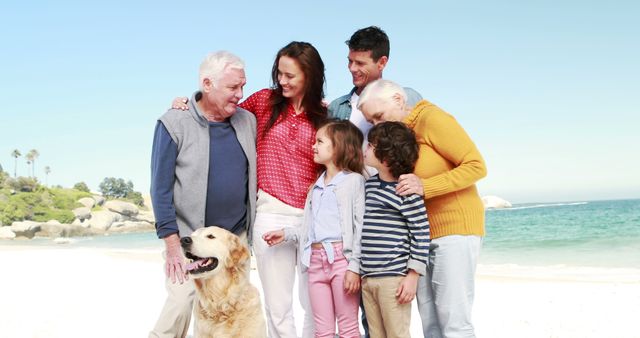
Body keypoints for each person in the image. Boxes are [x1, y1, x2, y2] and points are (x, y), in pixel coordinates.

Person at [171, 41, 325, 338]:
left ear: (310, 75)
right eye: (279, 73)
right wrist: (187, 105)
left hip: (311, 218)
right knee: (278, 308)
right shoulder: (264, 101)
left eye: (290, 75)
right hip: (270, 213)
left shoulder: (323, 113)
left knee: (313, 305)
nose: (282, 81)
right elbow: (219, 108)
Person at [358, 79, 487, 338]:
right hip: (424, 235)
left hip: (455, 229)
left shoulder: (432, 118)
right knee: (429, 321)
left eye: (379, 116)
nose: (377, 125)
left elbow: (476, 166)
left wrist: (426, 186)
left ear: (398, 99)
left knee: (454, 321)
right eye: (371, 122)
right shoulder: (400, 137)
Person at [149, 51, 257, 338]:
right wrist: (172, 244)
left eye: (243, 86)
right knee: (182, 302)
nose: (240, 94)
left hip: (234, 240)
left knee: (228, 315)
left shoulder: (247, 120)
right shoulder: (174, 122)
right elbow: (159, 189)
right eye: (233, 87)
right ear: (207, 84)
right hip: (189, 239)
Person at [262, 119, 366, 338]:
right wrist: (286, 234)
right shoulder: (317, 186)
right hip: (315, 263)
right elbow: (312, 228)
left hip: (342, 262)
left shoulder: (354, 182)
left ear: (339, 146)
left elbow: (360, 228)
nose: (313, 146)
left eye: (320, 141)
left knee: (348, 327)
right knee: (323, 330)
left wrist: (354, 267)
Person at [360, 121, 431, 338]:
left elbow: (421, 233)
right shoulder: (369, 185)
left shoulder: (405, 190)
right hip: (368, 277)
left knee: (397, 334)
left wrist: (413, 275)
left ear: (387, 155)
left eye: (371, 145)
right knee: (376, 334)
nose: (366, 149)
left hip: (394, 279)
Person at [328, 26, 423, 138]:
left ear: (382, 63)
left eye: (360, 63)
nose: (352, 68)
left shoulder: (409, 97)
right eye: (350, 61)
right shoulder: (336, 108)